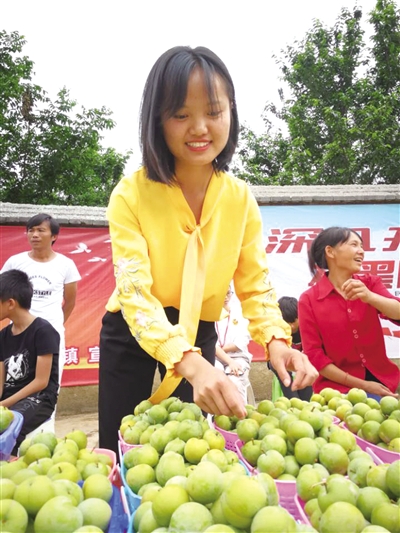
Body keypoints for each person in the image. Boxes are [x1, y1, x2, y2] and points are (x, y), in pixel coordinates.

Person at [98, 45, 318, 454]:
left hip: (200, 326)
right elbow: (135, 295)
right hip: (133, 328)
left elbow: (255, 286)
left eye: (214, 112)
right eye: (181, 114)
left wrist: (277, 342)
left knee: (184, 447)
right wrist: (190, 363)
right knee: (119, 440)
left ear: (231, 114)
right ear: (157, 120)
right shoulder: (130, 194)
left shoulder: (240, 199)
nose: (199, 127)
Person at [298, 226, 400, 399]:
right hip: (336, 390)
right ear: (330, 251)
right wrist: (364, 386)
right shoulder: (308, 300)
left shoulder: (370, 284)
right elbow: (315, 356)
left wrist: (371, 297)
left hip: (383, 381)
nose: (361, 251)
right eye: (354, 245)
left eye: (362, 246)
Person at [1, 213, 81, 383]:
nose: (34, 235)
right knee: (14, 380)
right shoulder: (15, 262)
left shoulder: (66, 265)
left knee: (48, 383)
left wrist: (53, 325)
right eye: (31, 230)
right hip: (18, 333)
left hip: (51, 332)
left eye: (40, 230)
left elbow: (70, 301)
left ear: (54, 236)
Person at [0, 270, 60, 451]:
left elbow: (41, 382)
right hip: (9, 398)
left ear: (10, 303)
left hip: (39, 398)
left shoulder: (43, 331)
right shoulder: (2, 336)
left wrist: (3, 405)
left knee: (11, 426)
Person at [269, 296, 313, 401]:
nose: (292, 326)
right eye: (287, 323)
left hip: (302, 363)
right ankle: (293, 400)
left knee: (307, 366)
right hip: (283, 364)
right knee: (283, 371)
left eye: (294, 321)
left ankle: (304, 402)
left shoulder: (306, 328)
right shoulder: (276, 332)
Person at [214, 286, 253, 404]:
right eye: (222, 294)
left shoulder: (239, 313)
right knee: (216, 376)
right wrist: (229, 362)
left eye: (228, 294)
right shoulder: (208, 315)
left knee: (235, 381)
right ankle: (214, 418)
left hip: (238, 356)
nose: (226, 298)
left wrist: (222, 352)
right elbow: (210, 345)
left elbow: (242, 341)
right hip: (214, 357)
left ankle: (240, 414)